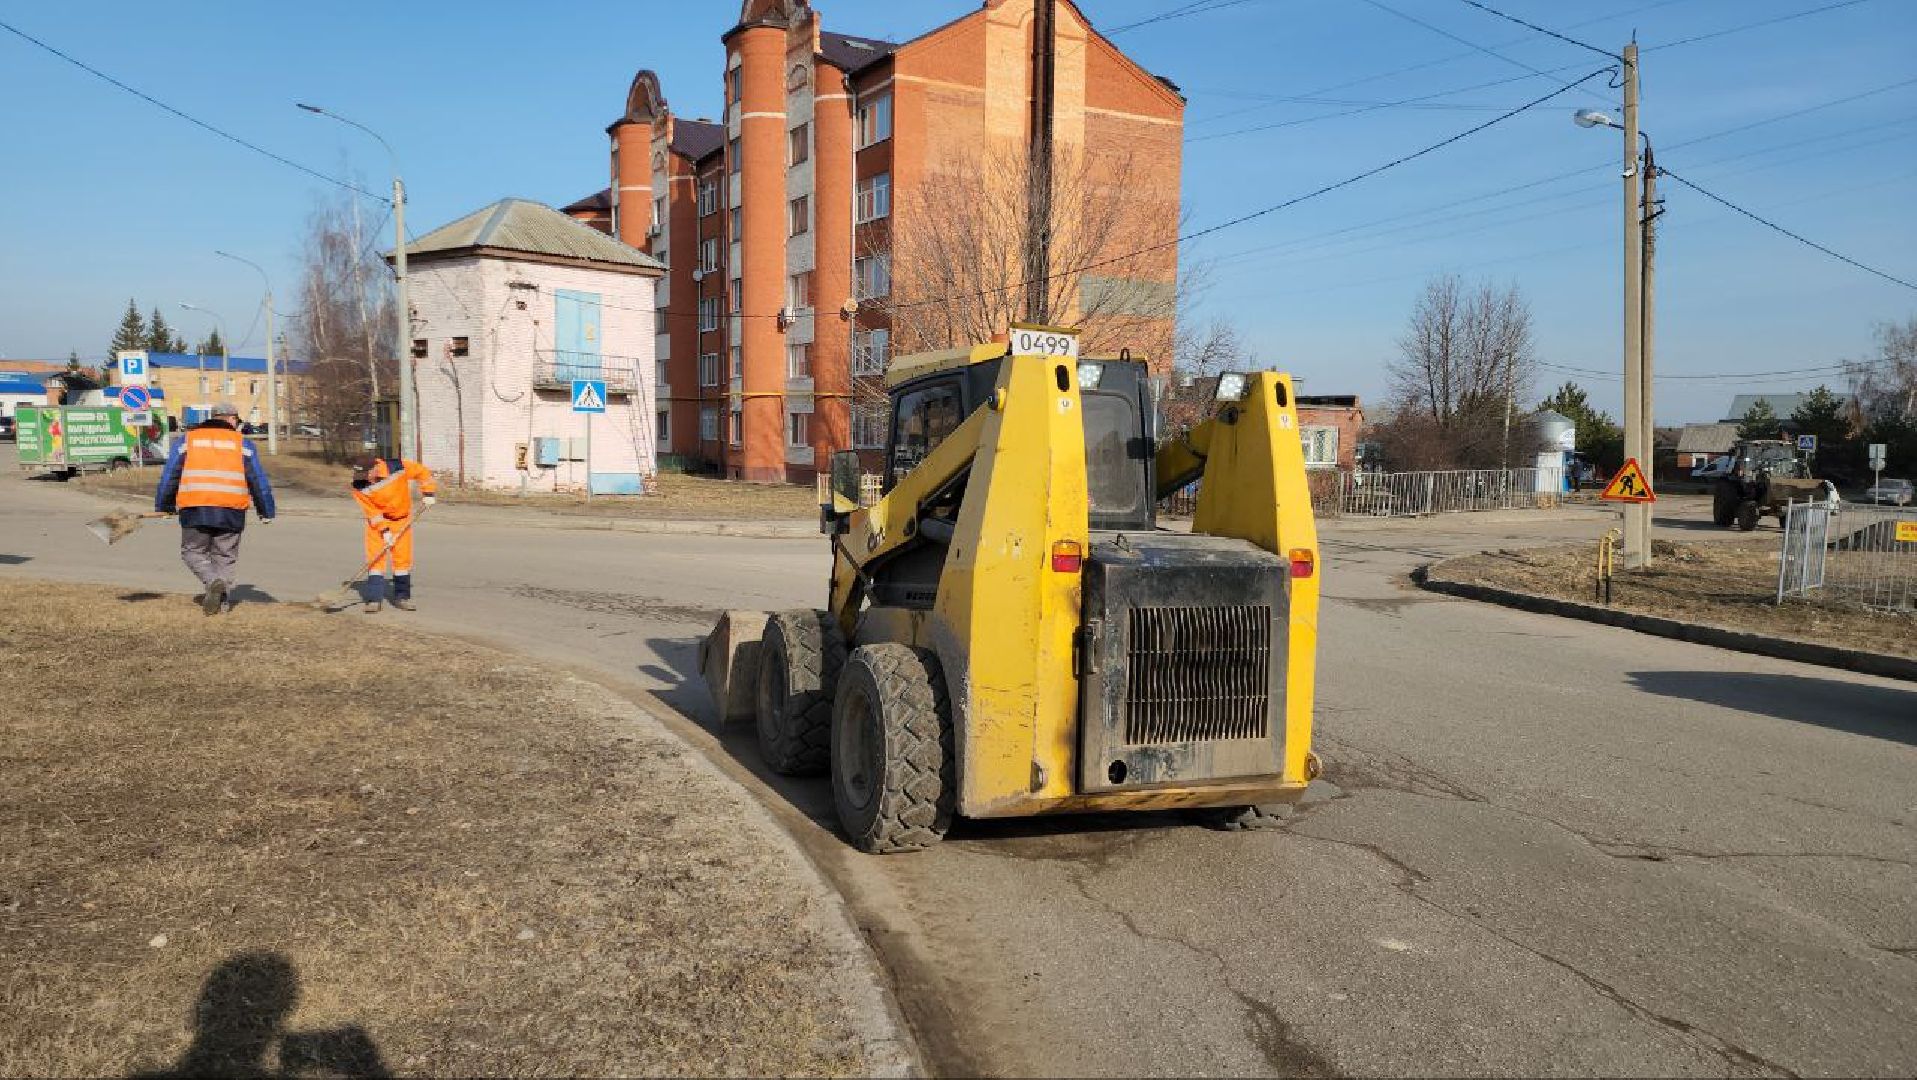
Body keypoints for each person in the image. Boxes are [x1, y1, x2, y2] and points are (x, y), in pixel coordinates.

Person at [155, 403, 275, 615]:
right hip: (231, 509)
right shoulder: (243, 445)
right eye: (237, 420)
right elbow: (257, 479)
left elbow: (170, 475)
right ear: (230, 419)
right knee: (225, 556)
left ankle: (212, 582)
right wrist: (266, 510)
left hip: (195, 506)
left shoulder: (186, 441)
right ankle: (223, 604)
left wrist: (164, 504)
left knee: (192, 552)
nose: (237, 424)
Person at [350, 455, 436, 613]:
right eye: (360, 476)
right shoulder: (358, 485)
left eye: (365, 475)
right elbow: (372, 512)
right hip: (378, 524)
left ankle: (401, 598)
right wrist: (384, 530)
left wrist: (428, 493)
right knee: (375, 561)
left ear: (375, 467)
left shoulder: (396, 467)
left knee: (402, 561)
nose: (365, 479)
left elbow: (422, 472)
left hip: (401, 520)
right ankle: (374, 600)